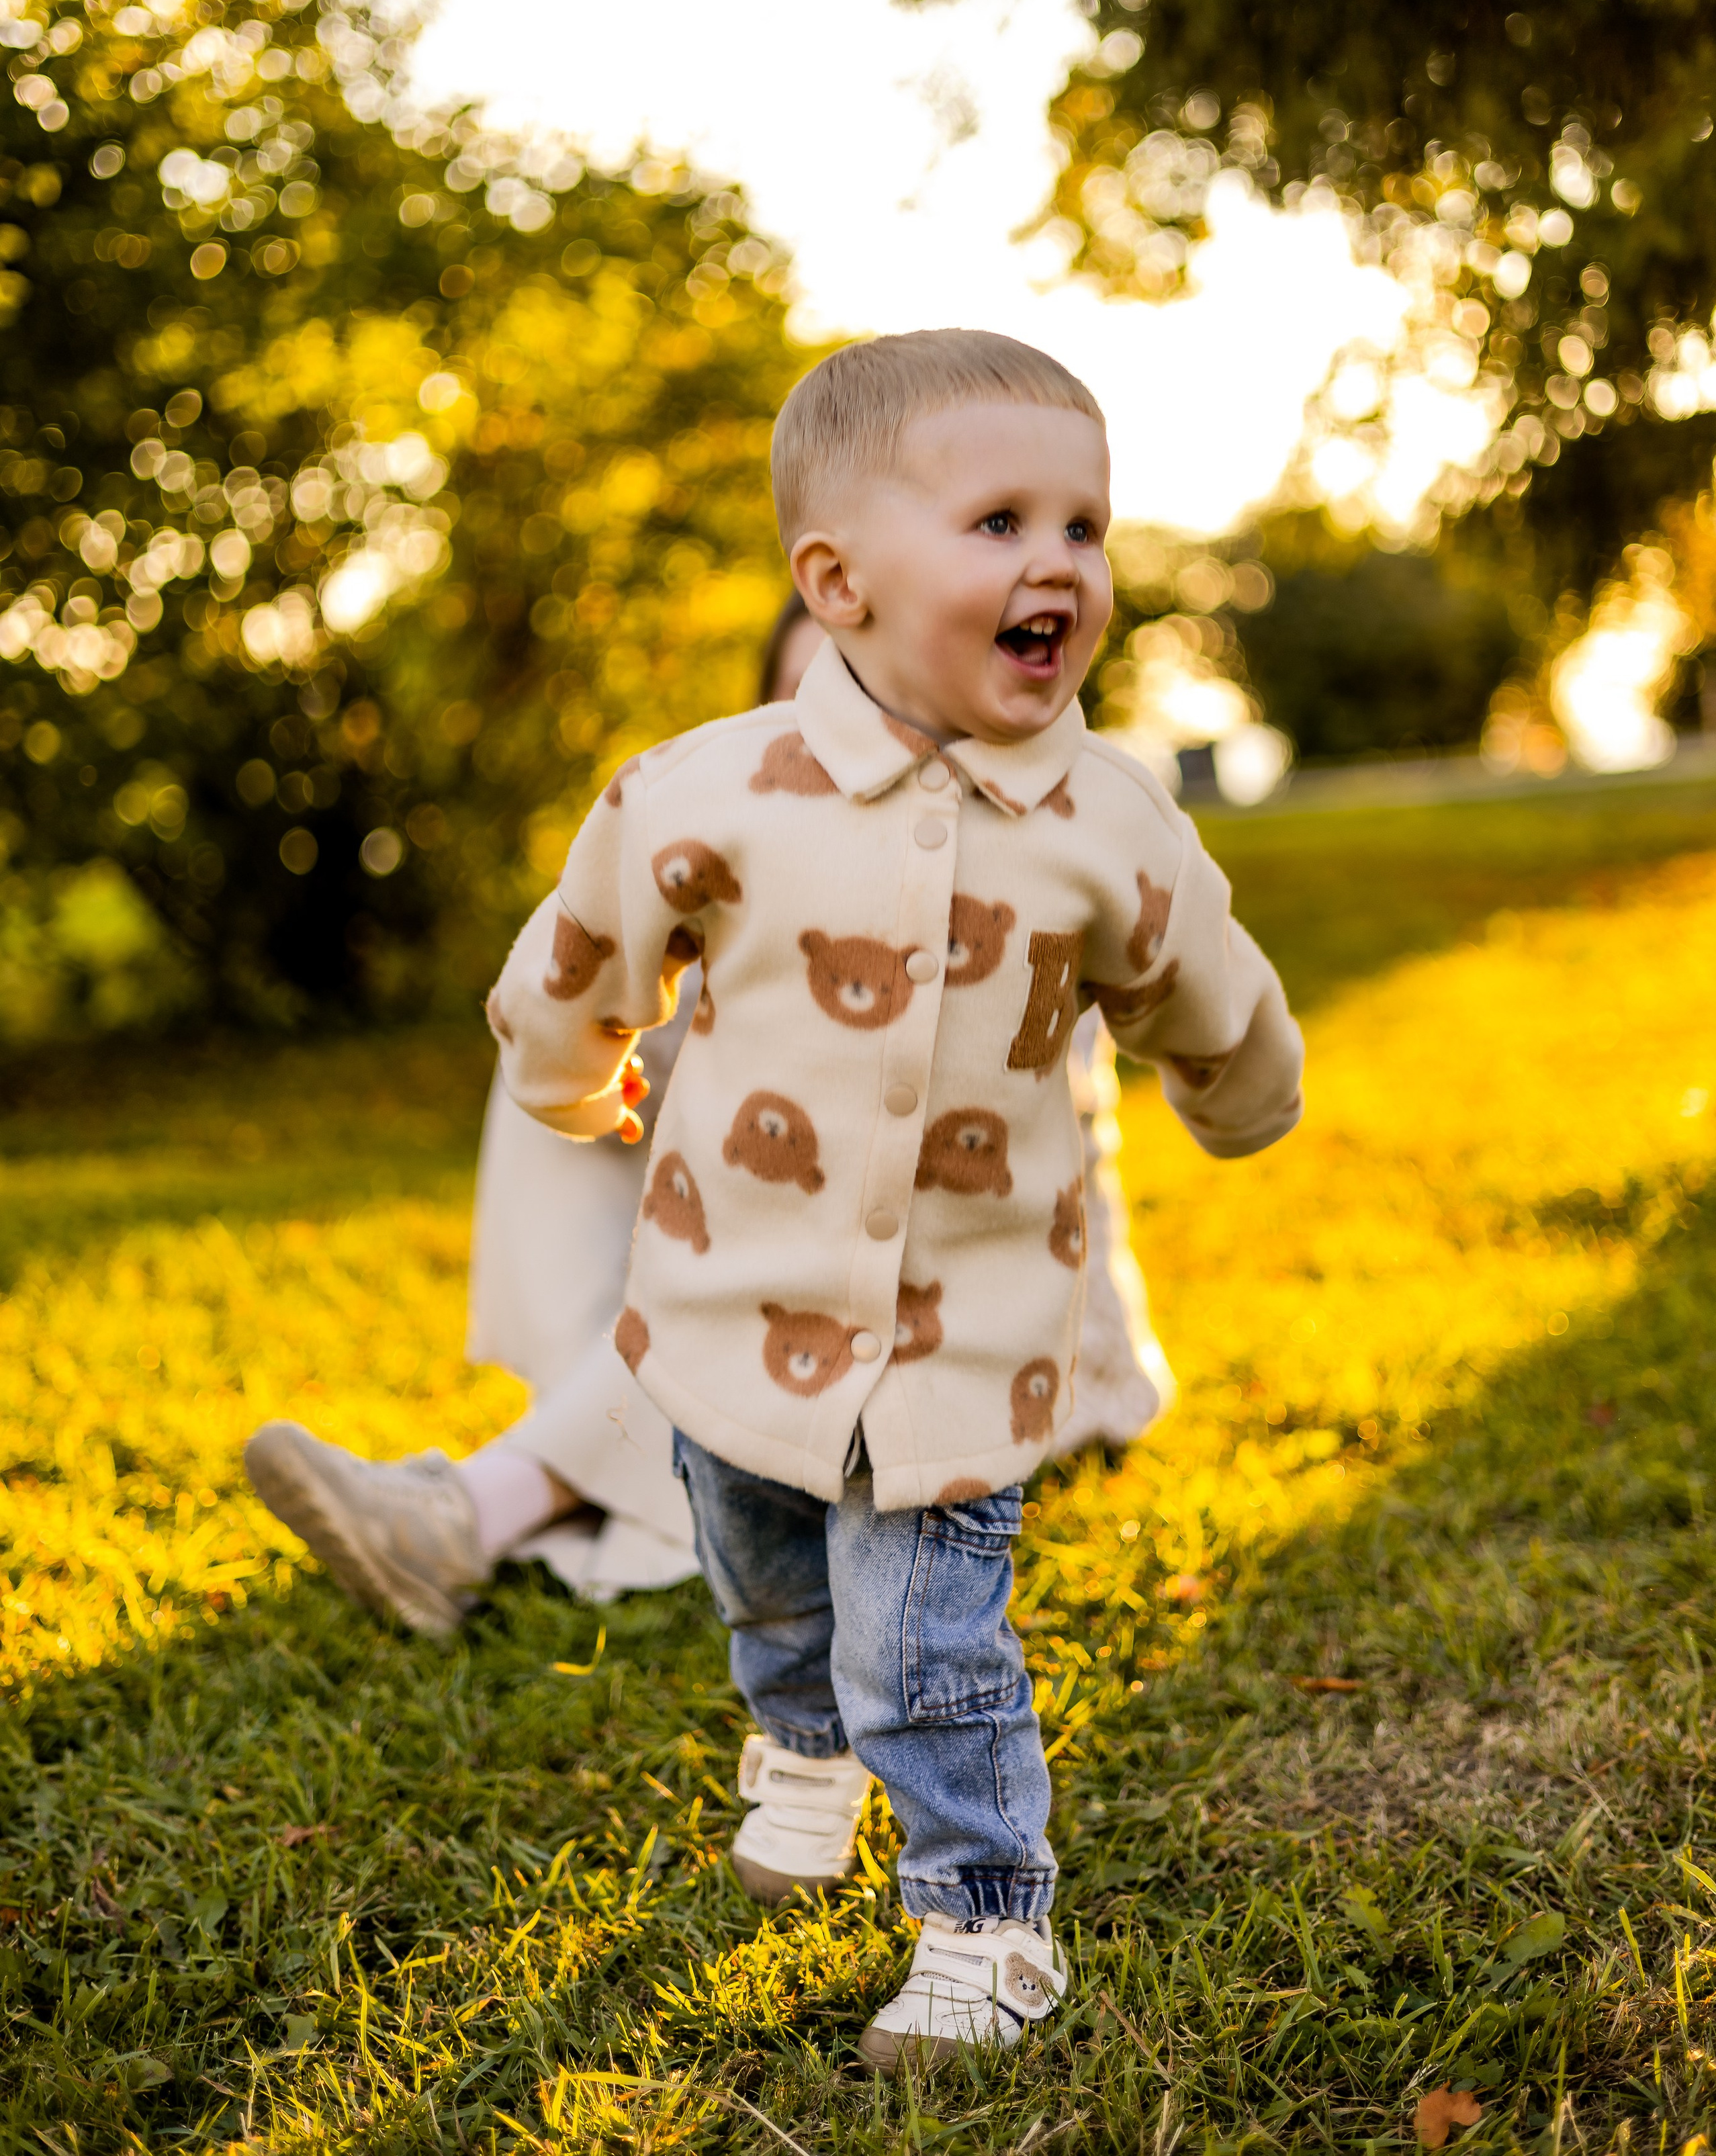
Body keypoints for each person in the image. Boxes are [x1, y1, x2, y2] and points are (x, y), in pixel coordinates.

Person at [484, 329, 1303, 2070]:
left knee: (927, 1645)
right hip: (724, 1313)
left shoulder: (1107, 823)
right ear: (836, 582)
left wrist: (1244, 1094)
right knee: (772, 1586)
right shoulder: (710, 793)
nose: (1058, 563)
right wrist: (571, 1076)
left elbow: (1207, 986)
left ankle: (987, 1924)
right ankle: (797, 1743)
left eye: (1081, 524)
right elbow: (579, 955)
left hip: (963, 1345)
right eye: (1000, 520)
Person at [246, 598, 1177, 1629]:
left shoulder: (1022, 883)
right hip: (811, 1309)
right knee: (560, 1080)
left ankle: (470, 1513)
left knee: (789, 1253)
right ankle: (586, 1420)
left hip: (993, 1342)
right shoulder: (773, 890)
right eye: (806, 713)